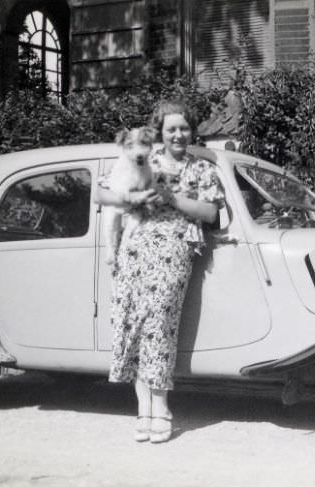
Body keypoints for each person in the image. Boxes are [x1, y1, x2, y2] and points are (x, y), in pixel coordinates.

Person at [95, 100, 224, 443]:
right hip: (133, 249)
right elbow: (103, 194)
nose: (178, 134)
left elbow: (211, 213)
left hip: (173, 249)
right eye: (171, 129)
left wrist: (170, 198)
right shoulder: (142, 160)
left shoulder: (202, 168)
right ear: (160, 134)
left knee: (160, 324)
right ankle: (143, 411)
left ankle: (162, 408)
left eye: (183, 128)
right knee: (132, 322)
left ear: (192, 131)